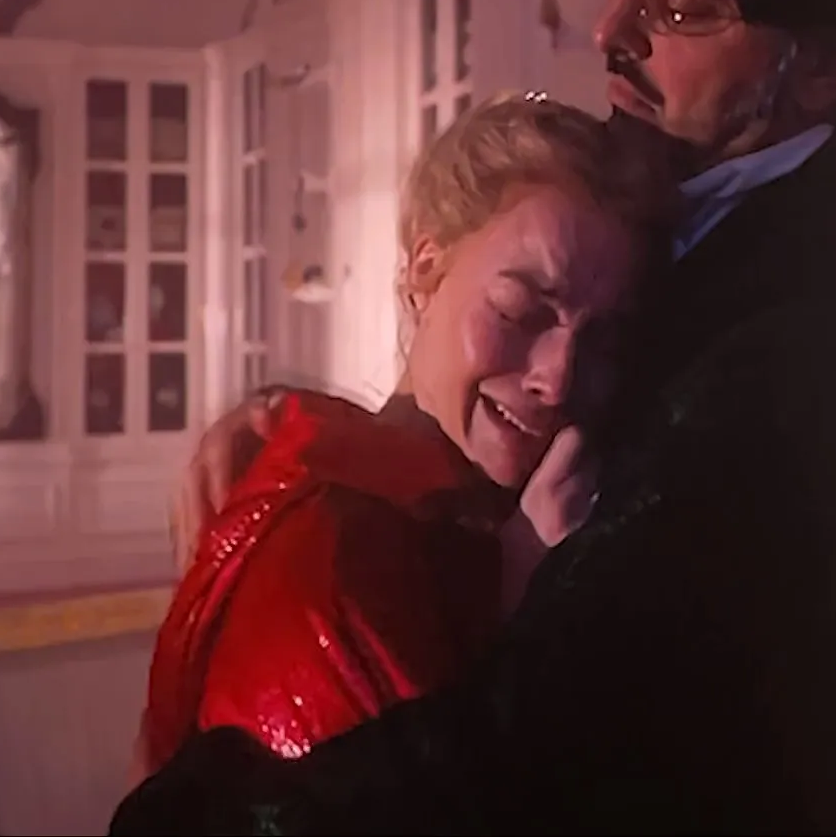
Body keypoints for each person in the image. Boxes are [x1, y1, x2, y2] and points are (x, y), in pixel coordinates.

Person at [117, 0, 836, 832]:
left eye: (677, 2)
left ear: (827, 65)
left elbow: (518, 762)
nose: (609, 27)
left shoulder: (805, 372)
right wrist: (308, 430)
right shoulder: (687, 227)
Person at [137, 94, 677, 776]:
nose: (559, 378)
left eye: (604, 341)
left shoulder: (466, 512)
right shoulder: (343, 553)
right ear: (425, 268)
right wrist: (522, 603)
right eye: (520, 311)